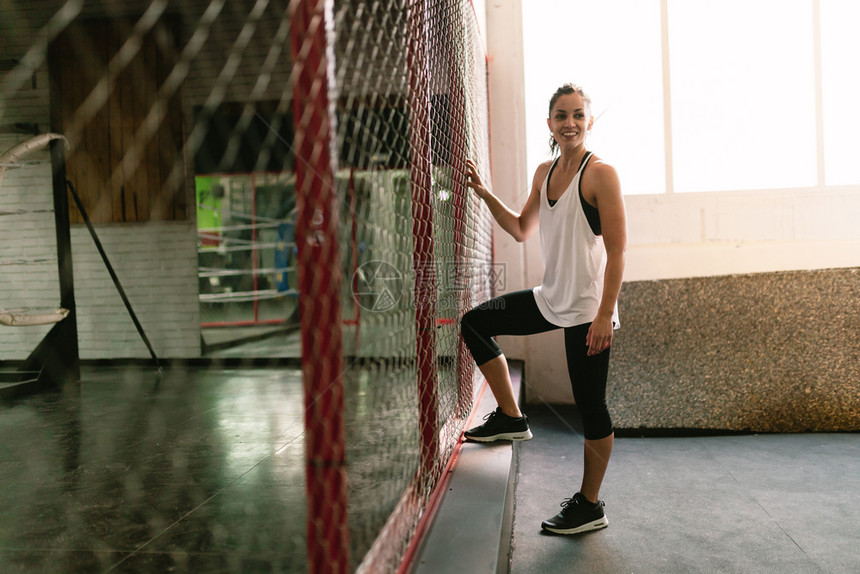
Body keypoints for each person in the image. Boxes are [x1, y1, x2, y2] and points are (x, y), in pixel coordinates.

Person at [460, 83, 626, 535]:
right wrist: (484, 193)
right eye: (560, 115)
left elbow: (617, 252)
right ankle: (512, 417)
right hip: (550, 299)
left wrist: (603, 315)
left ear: (588, 121)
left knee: (591, 407)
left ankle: (590, 505)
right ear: (549, 122)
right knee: (475, 322)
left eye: (577, 115)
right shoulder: (544, 171)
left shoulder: (600, 175)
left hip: (588, 311)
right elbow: (519, 228)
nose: (569, 123)